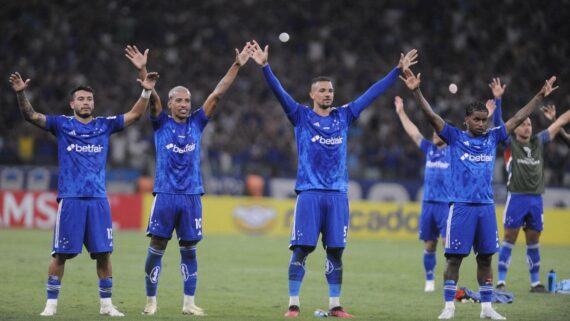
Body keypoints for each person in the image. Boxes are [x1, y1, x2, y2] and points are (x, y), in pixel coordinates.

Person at [250, 40, 418, 318]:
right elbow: (279, 93)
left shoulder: (344, 115)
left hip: (338, 195)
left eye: (330, 90)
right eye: (323, 90)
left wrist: (395, 71)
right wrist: (266, 68)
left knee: (336, 253)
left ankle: (335, 305)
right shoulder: (301, 116)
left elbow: (372, 93)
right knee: (302, 250)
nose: (328, 94)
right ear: (312, 94)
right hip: (310, 193)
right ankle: (293, 304)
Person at [399, 69, 557, 320]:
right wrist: (416, 91)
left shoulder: (493, 137)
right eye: (477, 120)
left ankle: (486, 308)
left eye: (484, 120)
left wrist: (539, 95)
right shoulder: (453, 136)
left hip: (485, 208)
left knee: (485, 259)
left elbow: (518, 117)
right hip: (460, 208)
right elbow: (431, 116)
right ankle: (449, 306)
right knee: (454, 260)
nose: (482, 124)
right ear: (466, 121)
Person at [9, 70, 159, 317]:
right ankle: (51, 304)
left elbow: (134, 115)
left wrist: (146, 90)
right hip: (71, 199)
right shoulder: (62, 124)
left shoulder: (104, 125)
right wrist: (21, 93)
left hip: (98, 200)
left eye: (89, 99)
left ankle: (107, 305)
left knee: (103, 254)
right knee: (60, 255)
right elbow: (31, 115)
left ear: (93, 103)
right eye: (80, 99)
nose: (85, 102)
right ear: (72, 104)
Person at [125, 43, 253, 315]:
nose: (184, 104)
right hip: (166, 195)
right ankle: (151, 302)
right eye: (179, 100)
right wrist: (144, 71)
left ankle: (189, 303)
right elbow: (152, 96)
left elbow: (217, 93)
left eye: (187, 101)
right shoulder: (161, 122)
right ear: (170, 104)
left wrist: (237, 65)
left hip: (192, 195)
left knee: (189, 249)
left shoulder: (197, 122)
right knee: (157, 246)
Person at [487, 78, 570, 293]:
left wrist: (563, 115)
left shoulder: (538, 142)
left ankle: (535, 283)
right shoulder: (509, 144)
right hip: (517, 197)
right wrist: (498, 99)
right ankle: (501, 281)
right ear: (515, 129)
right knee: (509, 239)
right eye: (523, 124)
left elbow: (559, 123)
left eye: (530, 124)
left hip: (536, 198)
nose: (527, 126)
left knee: (533, 240)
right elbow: (498, 126)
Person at [393, 96, 450, 293]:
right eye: (434, 131)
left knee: (448, 245)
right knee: (429, 245)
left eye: (438, 131)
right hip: (428, 204)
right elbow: (413, 133)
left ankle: (450, 280)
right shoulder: (430, 149)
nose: (435, 133)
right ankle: (429, 280)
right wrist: (401, 112)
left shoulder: (453, 151)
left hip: (445, 205)